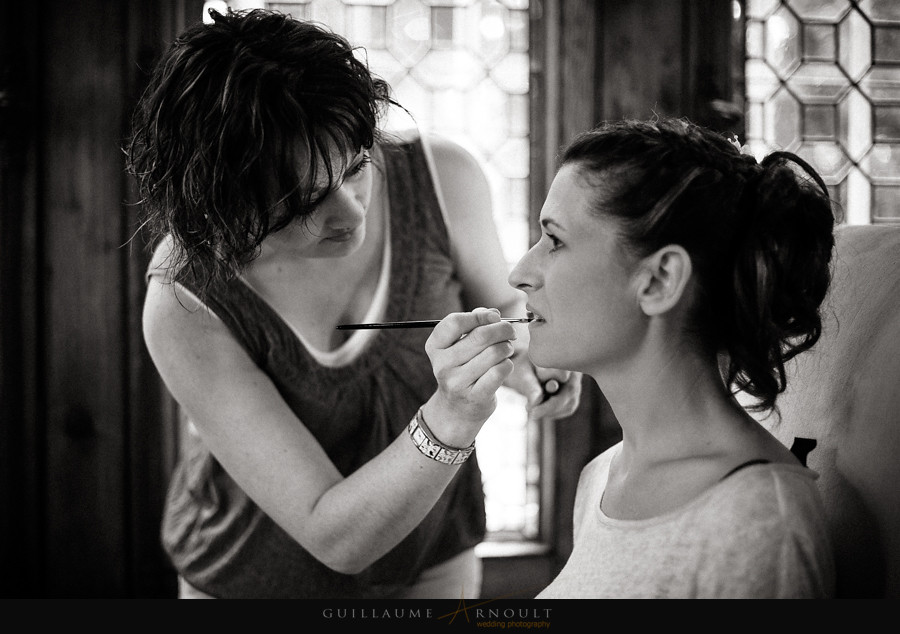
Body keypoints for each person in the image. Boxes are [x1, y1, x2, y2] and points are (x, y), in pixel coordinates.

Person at [126, 8, 580, 599]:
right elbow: (332, 533)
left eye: (359, 165)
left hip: (433, 559)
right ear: (225, 207)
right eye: (303, 200)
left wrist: (525, 356)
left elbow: (500, 303)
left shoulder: (443, 177)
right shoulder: (183, 297)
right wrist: (453, 416)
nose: (353, 214)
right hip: (250, 581)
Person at [507, 118, 837, 598]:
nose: (519, 273)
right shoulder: (601, 479)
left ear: (659, 280)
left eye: (554, 241)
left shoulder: (760, 524)